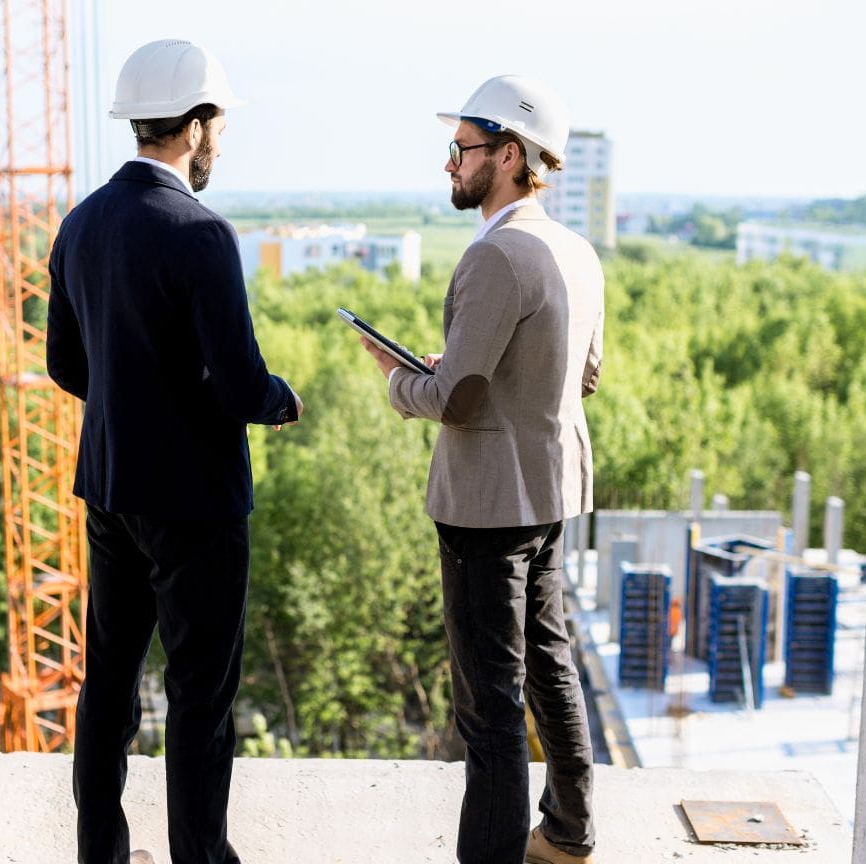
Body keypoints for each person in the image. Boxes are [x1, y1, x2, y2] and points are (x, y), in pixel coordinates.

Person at [46, 38, 302, 864]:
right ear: (193, 126)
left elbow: (63, 363)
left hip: (111, 488)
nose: (220, 141)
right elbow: (237, 383)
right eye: (219, 125)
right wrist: (279, 400)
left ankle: (102, 856)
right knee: (199, 697)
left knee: (109, 687)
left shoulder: (81, 223)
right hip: (194, 503)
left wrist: (133, 400)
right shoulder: (201, 234)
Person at [359, 74, 604, 864]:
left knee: (490, 709)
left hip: (485, 511)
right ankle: (569, 831)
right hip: (551, 493)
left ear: (508, 154)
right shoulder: (575, 250)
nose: (449, 166)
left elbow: (457, 402)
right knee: (549, 665)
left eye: (461, 150)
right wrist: (466, 368)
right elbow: (582, 375)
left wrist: (398, 379)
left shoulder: (497, 256)